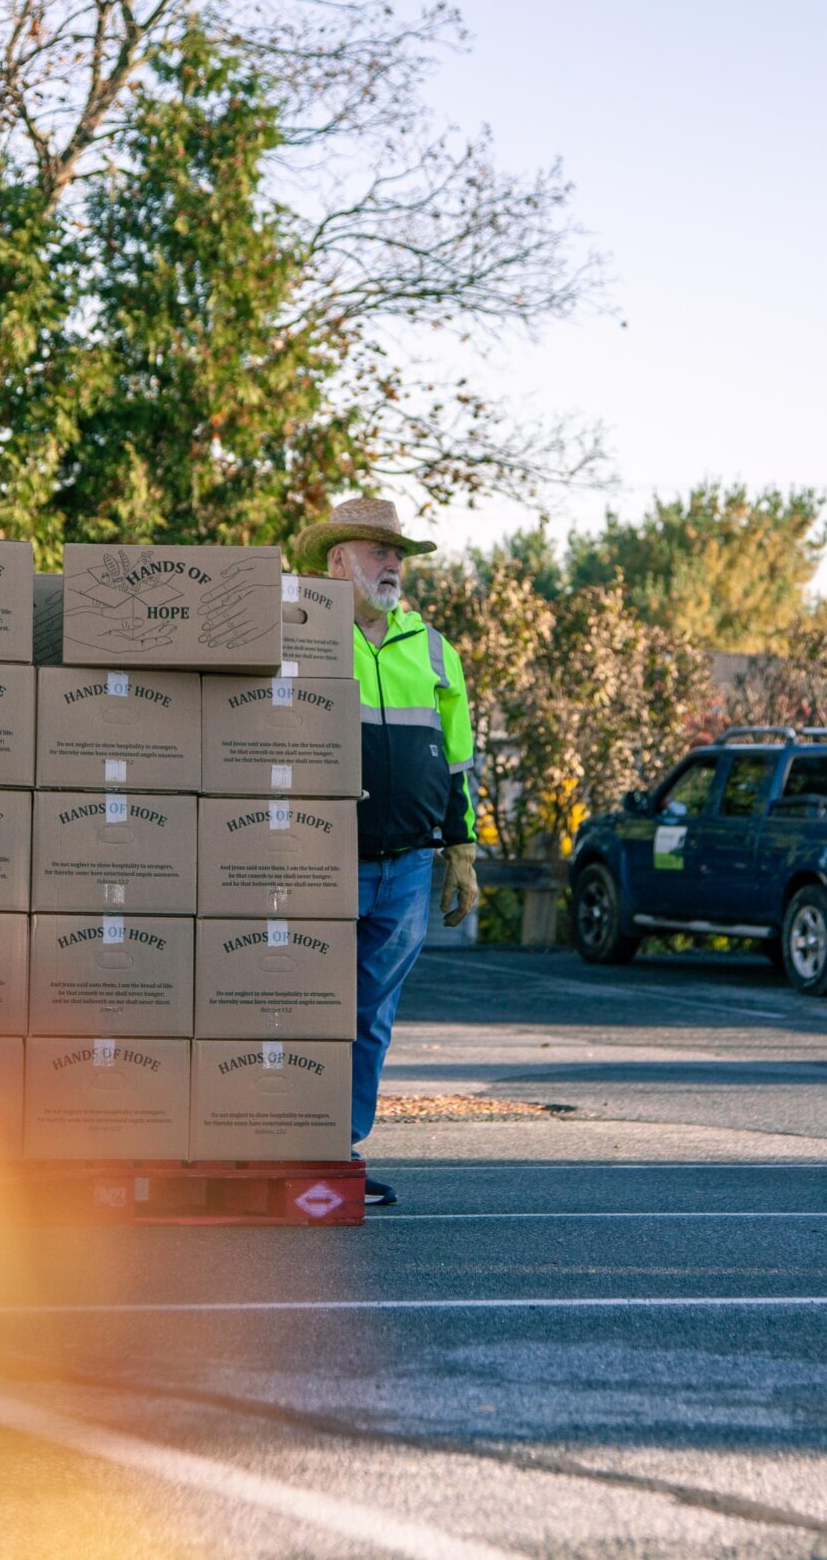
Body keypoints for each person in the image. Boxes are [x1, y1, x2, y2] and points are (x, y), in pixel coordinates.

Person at [291, 497, 479, 1208]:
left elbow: (458, 763)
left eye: (398, 552)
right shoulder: (304, 635)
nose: (393, 563)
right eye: (378, 550)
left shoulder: (434, 649)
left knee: (370, 1015)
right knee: (306, 1004)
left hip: (407, 868)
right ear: (338, 561)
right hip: (321, 855)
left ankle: (339, 1154)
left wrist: (462, 851)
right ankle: (284, 1139)